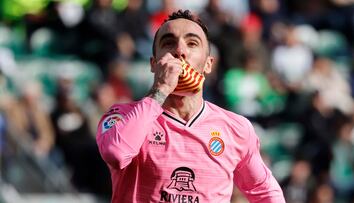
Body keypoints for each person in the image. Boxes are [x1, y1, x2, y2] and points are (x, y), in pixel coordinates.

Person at [96, 9, 285, 202]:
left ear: (208, 64)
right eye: (169, 43)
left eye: (192, 43)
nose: (180, 51)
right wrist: (160, 90)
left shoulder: (236, 128)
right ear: (154, 64)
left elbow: (265, 191)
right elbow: (116, 154)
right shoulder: (123, 116)